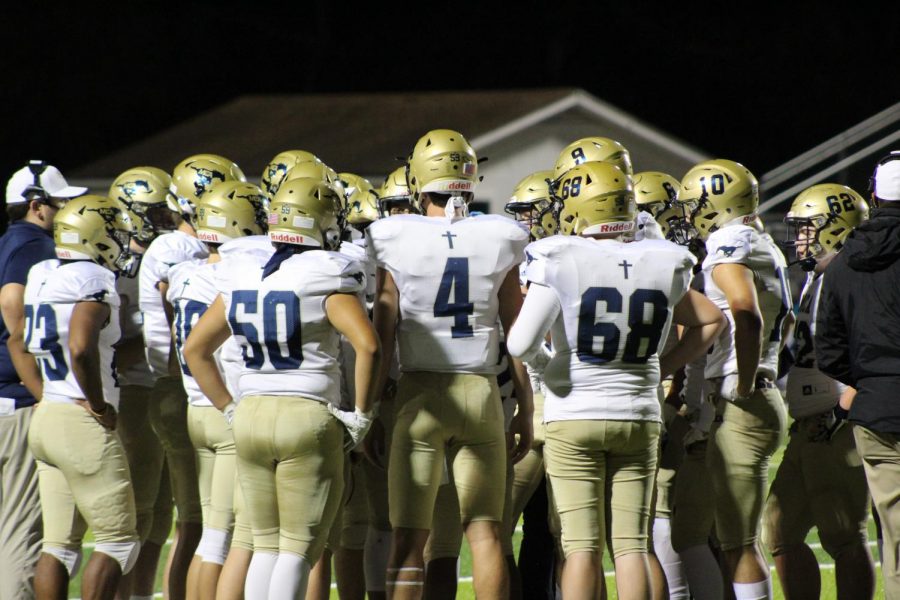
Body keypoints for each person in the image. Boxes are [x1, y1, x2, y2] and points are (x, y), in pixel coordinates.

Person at [507, 160, 724, 600]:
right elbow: (708, 321)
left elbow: (520, 342)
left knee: (581, 547)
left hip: (575, 414)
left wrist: (550, 369)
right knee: (631, 546)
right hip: (640, 414)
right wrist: (660, 369)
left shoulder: (560, 257)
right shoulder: (662, 260)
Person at [185, 176, 381, 600]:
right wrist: (362, 413)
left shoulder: (241, 270)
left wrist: (229, 408)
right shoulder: (326, 271)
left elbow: (195, 349)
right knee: (297, 549)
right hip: (305, 415)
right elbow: (368, 345)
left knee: (264, 545)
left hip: (250, 414)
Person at [367, 128, 533, 599]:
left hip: (420, 393)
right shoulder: (499, 235)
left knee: (409, 536)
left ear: (419, 179)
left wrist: (374, 405)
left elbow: (383, 332)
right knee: (486, 536)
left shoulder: (392, 235)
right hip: (480, 392)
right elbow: (514, 332)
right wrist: (525, 405)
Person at [678, 158, 792, 600]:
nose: (690, 214)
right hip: (752, 397)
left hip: (743, 400)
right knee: (715, 534)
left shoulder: (730, 241)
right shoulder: (759, 240)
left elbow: (747, 313)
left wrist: (743, 384)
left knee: (738, 544)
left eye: (694, 205)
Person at [139, 153, 244, 600]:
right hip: (194, 390)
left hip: (188, 387)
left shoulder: (182, 253)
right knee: (203, 525)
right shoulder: (181, 252)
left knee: (196, 521)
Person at [24, 194, 140, 600]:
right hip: (79, 420)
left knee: (58, 545)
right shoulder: (91, 278)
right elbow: (79, 347)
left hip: (48, 412)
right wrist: (97, 404)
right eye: (117, 235)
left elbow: (25, 342)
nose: (123, 243)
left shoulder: (41, 273)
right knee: (119, 541)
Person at [763, 183, 875, 599]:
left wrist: (842, 411)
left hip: (834, 423)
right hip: (809, 422)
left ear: (837, 228)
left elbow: (866, 349)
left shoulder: (851, 277)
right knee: (780, 527)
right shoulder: (818, 277)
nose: (801, 238)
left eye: (809, 228)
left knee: (844, 534)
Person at [168, 181, 269, 600]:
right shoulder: (237, 272)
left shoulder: (187, 274)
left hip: (197, 406)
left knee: (211, 534)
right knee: (225, 539)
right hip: (223, 405)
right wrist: (231, 408)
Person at [816, 150, 900, 598]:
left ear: (875, 197)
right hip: (879, 401)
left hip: (877, 410)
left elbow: (828, 350)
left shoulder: (845, 262)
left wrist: (869, 383)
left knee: (897, 541)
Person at [0, 161, 85, 598]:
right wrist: (42, 393)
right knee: (24, 534)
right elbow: (14, 313)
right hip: (16, 401)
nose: (68, 208)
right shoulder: (32, 244)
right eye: (60, 201)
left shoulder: (9, 241)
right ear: (37, 206)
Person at [108, 165, 179, 600]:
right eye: (158, 211)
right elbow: (110, 351)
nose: (168, 219)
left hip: (169, 392)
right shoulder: (119, 269)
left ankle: (141, 594)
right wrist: (161, 336)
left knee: (164, 513)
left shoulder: (171, 255)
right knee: (137, 512)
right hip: (135, 392)